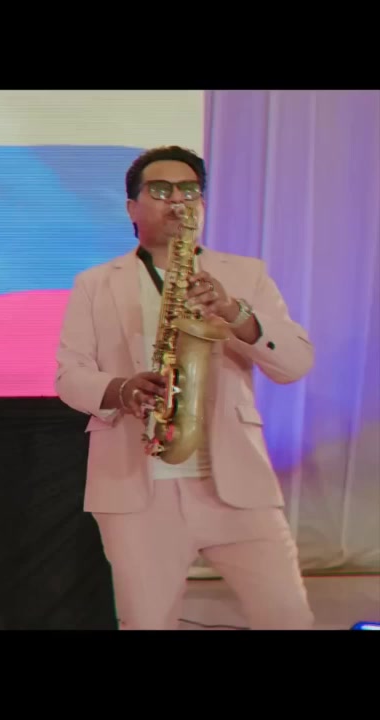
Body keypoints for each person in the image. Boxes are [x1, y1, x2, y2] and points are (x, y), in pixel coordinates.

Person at [54, 145, 316, 630]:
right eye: (160, 190)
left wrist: (235, 312)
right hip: (136, 489)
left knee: (289, 617)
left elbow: (295, 362)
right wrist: (121, 388)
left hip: (237, 485)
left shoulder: (246, 274)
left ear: (202, 204)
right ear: (131, 207)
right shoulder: (95, 283)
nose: (177, 200)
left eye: (189, 191)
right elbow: (69, 375)